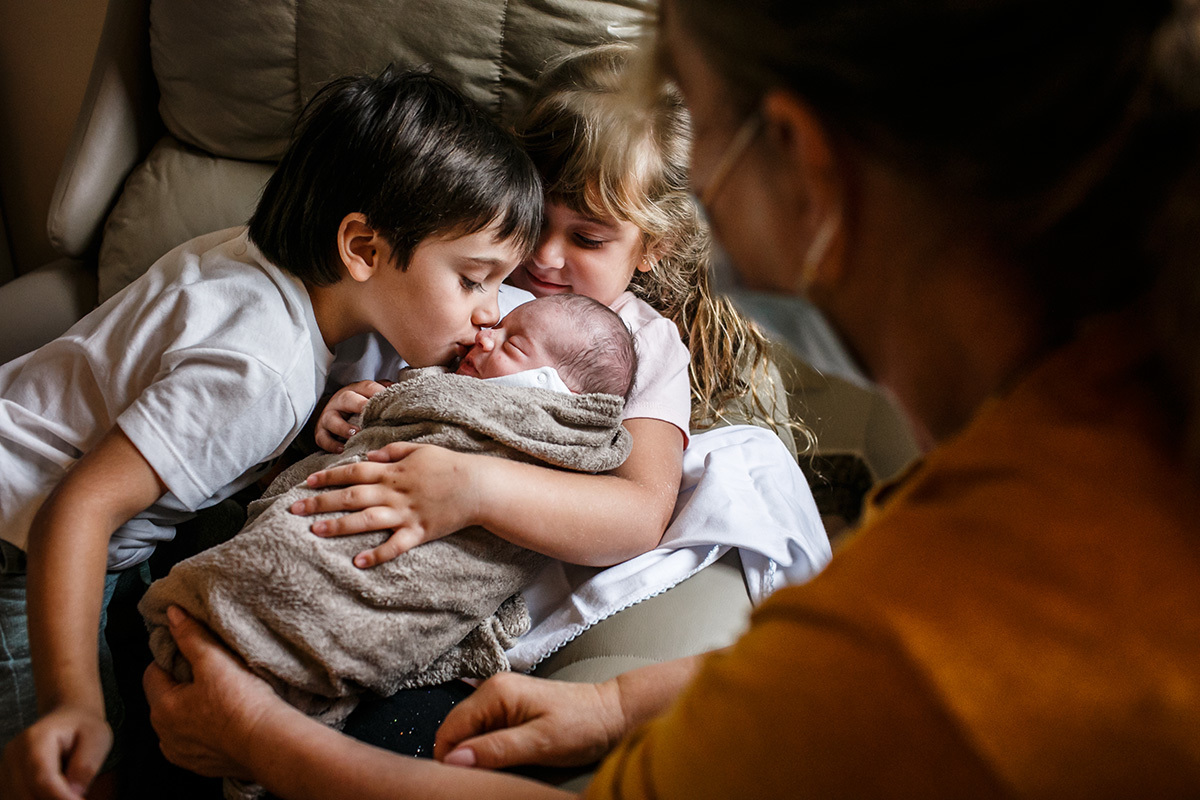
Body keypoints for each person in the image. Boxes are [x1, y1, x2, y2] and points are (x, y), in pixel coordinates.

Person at [142, 0, 1200, 797]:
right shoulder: (1093, 435)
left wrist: (260, 738)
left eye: (704, 133)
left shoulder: (928, 634)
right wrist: (613, 701)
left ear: (800, 160)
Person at [0, 67, 542, 799]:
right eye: (474, 280)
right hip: (25, 541)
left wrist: (307, 424)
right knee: (75, 767)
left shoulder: (270, 266)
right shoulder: (261, 371)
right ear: (363, 249)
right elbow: (78, 508)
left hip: (55, 489)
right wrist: (74, 704)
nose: (491, 312)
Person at [139, 293, 635, 800]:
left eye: (513, 343)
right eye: (497, 326)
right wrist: (363, 409)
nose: (485, 334)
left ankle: (263, 651)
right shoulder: (457, 363)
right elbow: (390, 422)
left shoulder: (545, 435)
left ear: (548, 390)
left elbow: (632, 511)